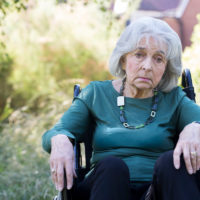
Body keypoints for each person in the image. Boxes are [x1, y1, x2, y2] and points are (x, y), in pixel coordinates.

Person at [42, 17, 200, 200]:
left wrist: (195, 127)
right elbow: (52, 134)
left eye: (158, 59)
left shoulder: (174, 98)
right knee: (112, 167)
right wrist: (60, 138)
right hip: (105, 188)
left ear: (166, 67)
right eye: (139, 54)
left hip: (157, 192)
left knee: (172, 163)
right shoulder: (96, 94)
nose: (147, 66)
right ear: (124, 59)